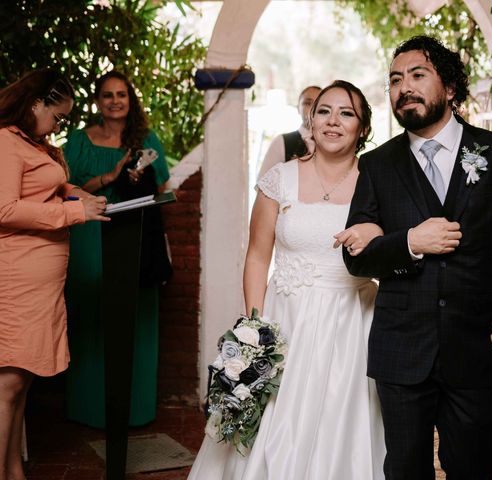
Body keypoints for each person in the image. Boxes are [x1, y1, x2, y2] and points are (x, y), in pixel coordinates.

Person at [342, 35, 492, 480]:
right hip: (402, 350)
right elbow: (358, 258)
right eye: (395, 79)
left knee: (473, 467)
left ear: (450, 88)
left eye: (418, 75)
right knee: (404, 470)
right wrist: (412, 242)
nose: (404, 87)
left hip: (476, 349)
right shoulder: (376, 165)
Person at [188, 80, 385, 480]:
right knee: (277, 423)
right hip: (286, 321)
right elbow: (258, 255)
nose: (333, 121)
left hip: (352, 322)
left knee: (342, 421)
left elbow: (393, 254)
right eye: (325, 111)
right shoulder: (280, 179)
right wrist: (254, 329)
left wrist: (377, 237)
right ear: (310, 120)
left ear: (363, 128)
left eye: (346, 113)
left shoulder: (379, 181)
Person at [0, 69, 108, 480]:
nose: (60, 124)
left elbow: (49, 186)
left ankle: (13, 471)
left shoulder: (36, 144)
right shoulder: (6, 142)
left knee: (20, 385)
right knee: (7, 384)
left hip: (39, 285)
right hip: (14, 280)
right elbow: (5, 209)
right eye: (58, 116)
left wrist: (76, 193)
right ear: (35, 104)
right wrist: (74, 212)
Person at [63, 71, 171, 428]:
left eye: (121, 95)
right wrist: (109, 178)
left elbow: (165, 187)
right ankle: (88, 407)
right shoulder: (79, 141)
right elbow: (64, 188)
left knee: (133, 314)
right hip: (87, 238)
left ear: (130, 99)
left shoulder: (146, 139)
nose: (114, 101)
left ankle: (135, 408)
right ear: (97, 101)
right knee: (90, 315)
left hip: (133, 238)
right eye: (107, 95)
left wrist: (139, 181)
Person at [256, 85, 321, 178]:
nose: (313, 109)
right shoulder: (281, 142)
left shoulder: (333, 143)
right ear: (298, 108)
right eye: (308, 103)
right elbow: (263, 183)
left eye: (318, 104)